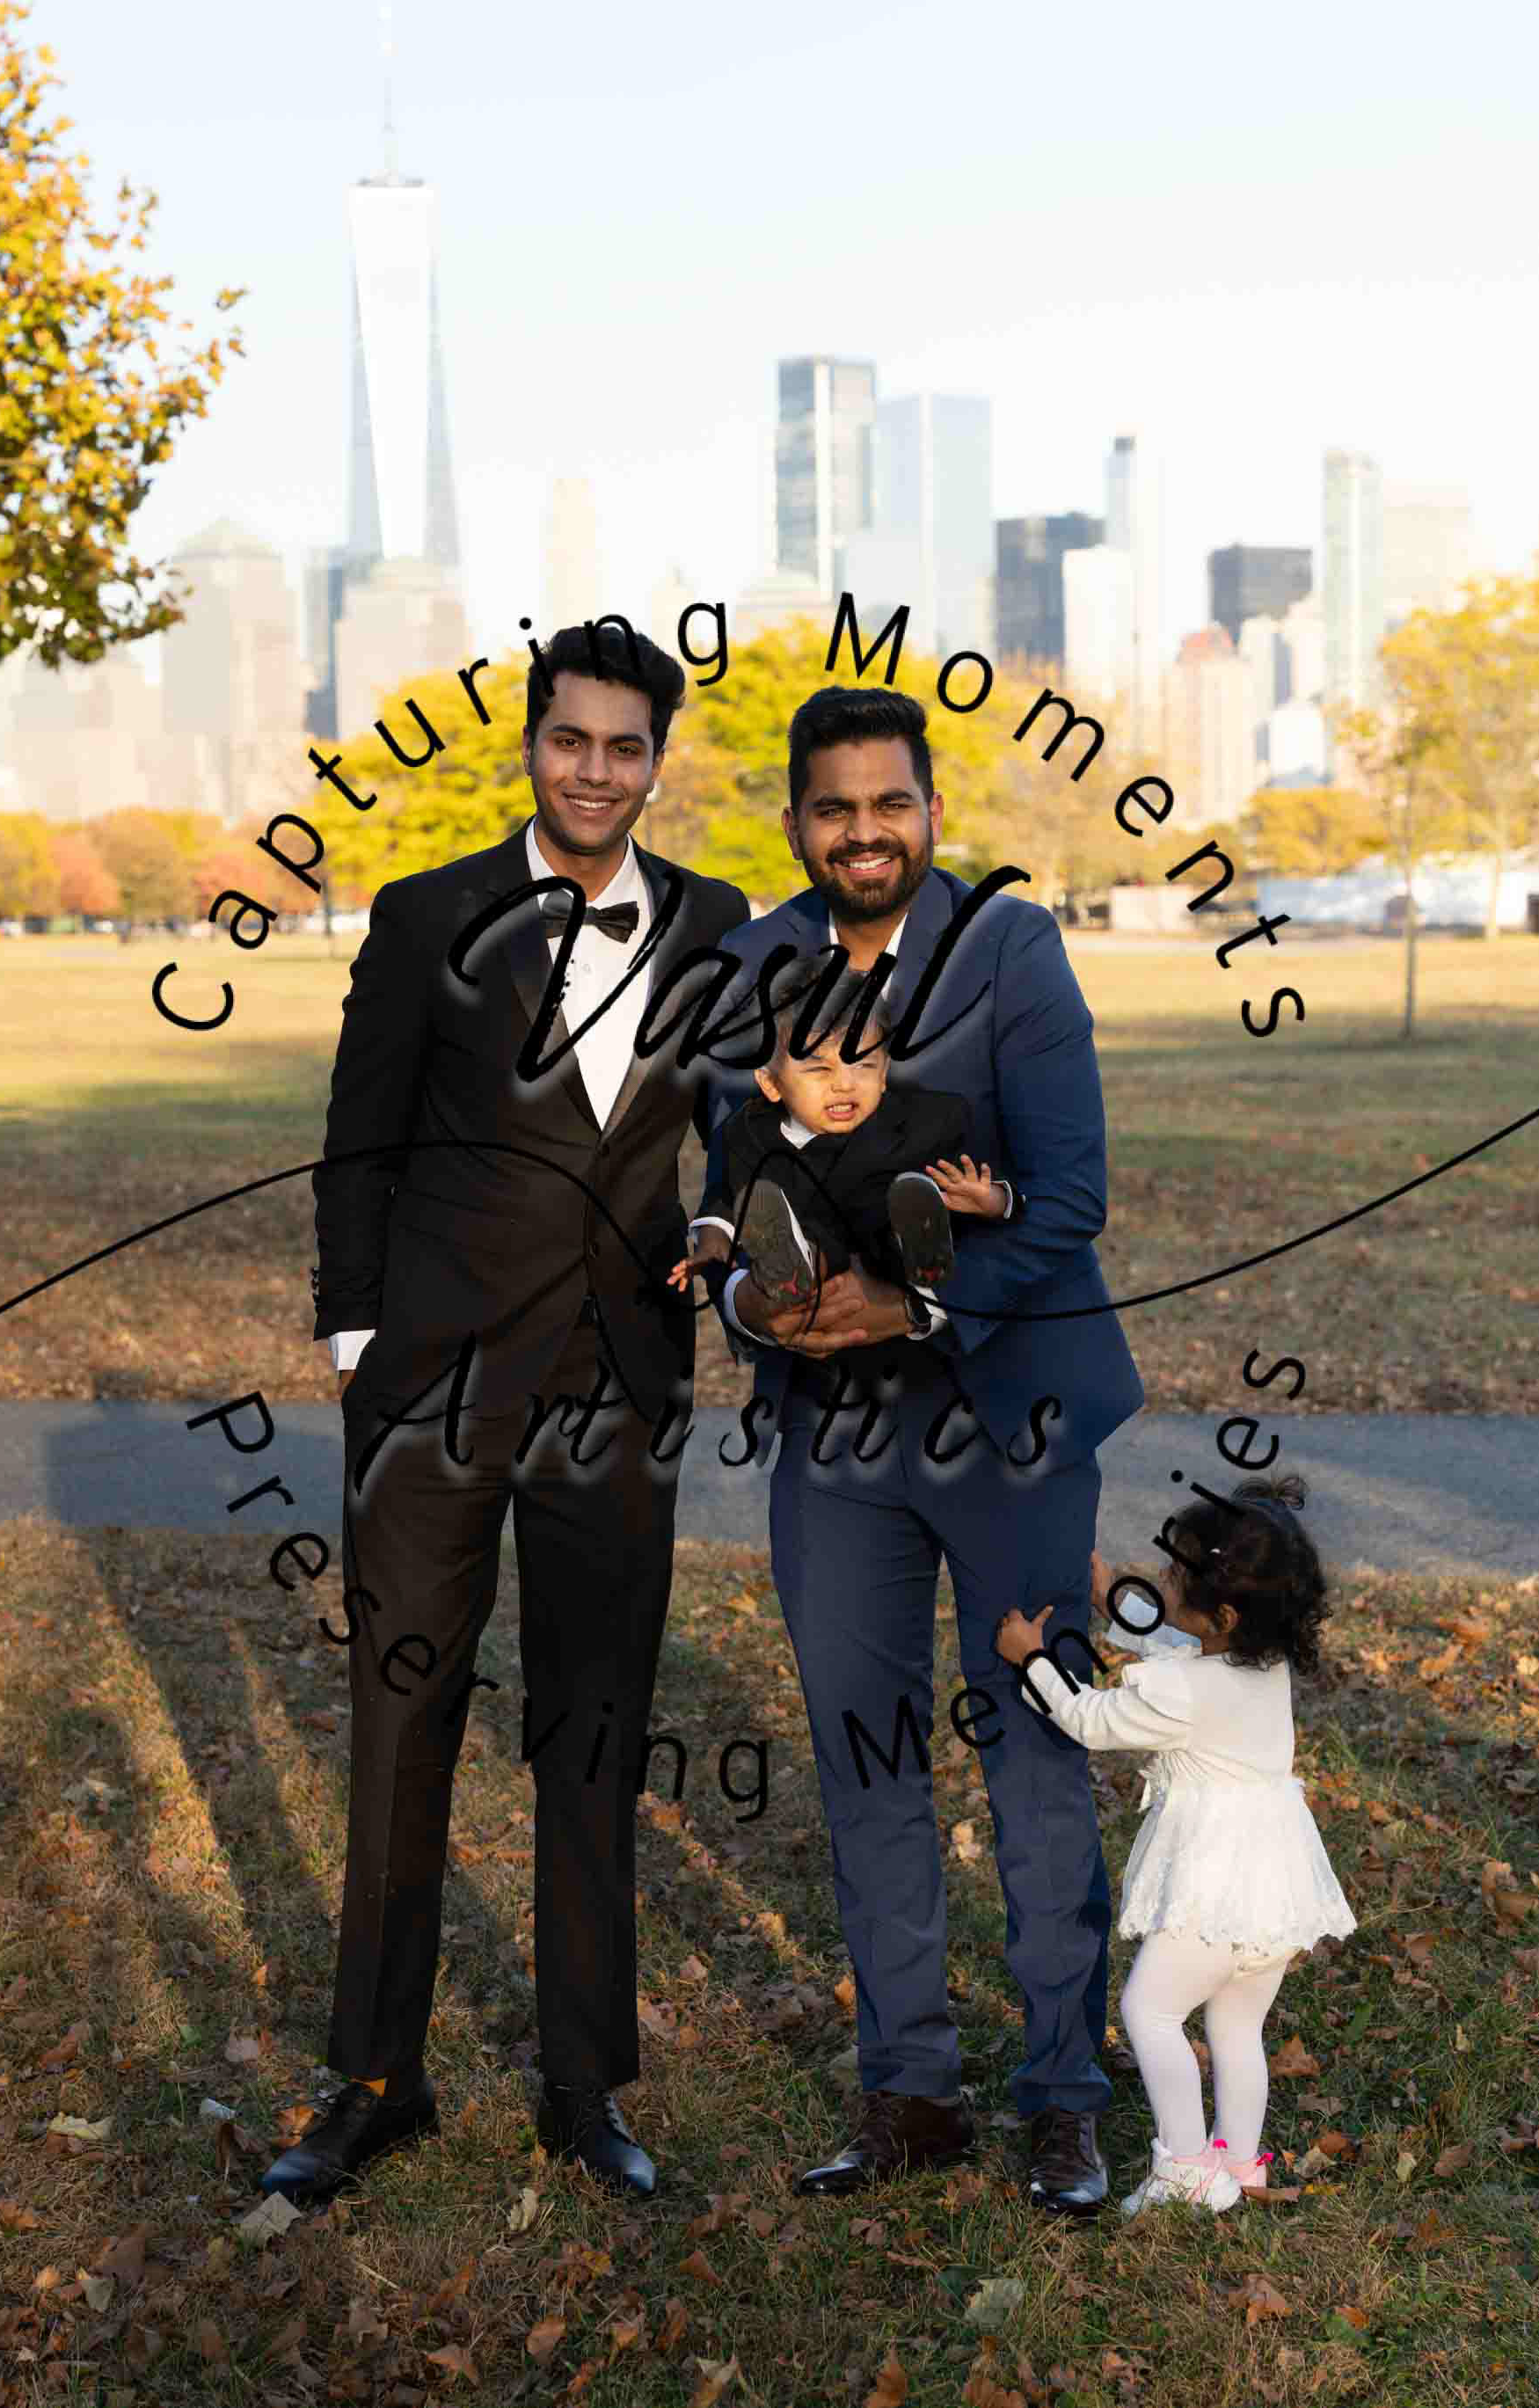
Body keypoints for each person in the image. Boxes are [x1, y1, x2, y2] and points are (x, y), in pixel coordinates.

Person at [259, 621, 748, 2209]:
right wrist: (358, 1341)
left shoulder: (717, 923)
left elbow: (744, 1119)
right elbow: (358, 1138)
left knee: (591, 1730)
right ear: (532, 743)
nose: (594, 770)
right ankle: (375, 2079)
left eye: (624, 746)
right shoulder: (427, 913)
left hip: (619, 1380)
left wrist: (728, 1226)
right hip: (433, 1389)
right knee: (401, 1729)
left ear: (656, 761)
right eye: (570, 739)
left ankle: (581, 2079)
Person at [697, 684, 1145, 2211]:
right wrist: (759, 1306)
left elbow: (1069, 1196)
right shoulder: (748, 967)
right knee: (867, 1756)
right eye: (834, 807)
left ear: (933, 811)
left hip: (1007, 1413)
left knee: (1034, 1748)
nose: (864, 830)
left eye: (890, 802)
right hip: (833, 1436)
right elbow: (731, 1184)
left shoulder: (1009, 948)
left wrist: (913, 1296)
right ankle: (910, 2091)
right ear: (796, 823)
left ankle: (1064, 2097)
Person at [992, 1474, 1356, 2214]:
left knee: (1150, 2013)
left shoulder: (1180, 1692)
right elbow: (1174, 1644)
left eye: (1172, 1574)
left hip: (1213, 1883)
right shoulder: (1261, 1661)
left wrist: (1031, 1659)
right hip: (1274, 1884)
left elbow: (1091, 1720)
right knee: (1236, 2023)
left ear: (1221, 1613)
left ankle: (1186, 2171)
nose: (1160, 1576)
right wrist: (1112, 1602)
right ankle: (1242, 2162)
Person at [666, 952, 1024, 1310]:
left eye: (864, 1065)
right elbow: (728, 1199)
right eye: (819, 1070)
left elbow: (994, 1184)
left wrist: (993, 1200)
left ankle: (922, 1253)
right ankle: (792, 1268)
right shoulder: (749, 1135)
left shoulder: (925, 1122)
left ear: (884, 1074)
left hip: (891, 1253)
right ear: (771, 1084)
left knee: (899, 1217)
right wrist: (713, 1242)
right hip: (818, 1256)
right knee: (809, 1241)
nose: (845, 1085)